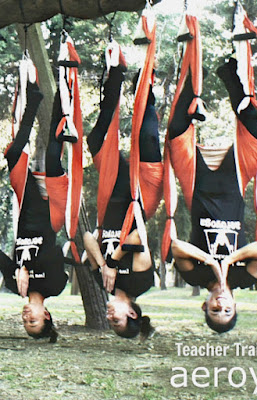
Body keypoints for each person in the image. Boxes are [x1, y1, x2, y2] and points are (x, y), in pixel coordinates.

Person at [168, 57, 257, 333]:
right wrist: (230, 261)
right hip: (233, 180)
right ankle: (231, 73)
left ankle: (193, 69)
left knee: (176, 129)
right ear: (236, 306)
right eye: (227, 310)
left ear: (205, 305)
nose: (221, 303)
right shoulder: (244, 278)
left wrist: (212, 261)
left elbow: (176, 246)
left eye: (215, 309)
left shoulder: (195, 276)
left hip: (196, 180)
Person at [83, 63, 162, 340]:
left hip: (113, 194)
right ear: (131, 313)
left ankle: (115, 76)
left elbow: (87, 238)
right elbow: (137, 237)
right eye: (116, 322)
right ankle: (145, 86)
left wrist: (104, 266)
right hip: (141, 196)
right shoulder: (141, 283)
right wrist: (113, 261)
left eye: (110, 323)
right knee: (147, 136)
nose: (109, 319)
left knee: (95, 140)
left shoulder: (103, 281)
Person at [0, 82, 69, 343]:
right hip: (52, 212)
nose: (26, 315)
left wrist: (15, 270)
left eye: (24, 320)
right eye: (33, 320)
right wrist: (26, 268)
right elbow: (53, 253)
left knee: (14, 154)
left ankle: (34, 101)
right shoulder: (55, 286)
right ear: (47, 315)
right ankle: (61, 99)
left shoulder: (13, 284)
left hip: (27, 208)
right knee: (53, 157)